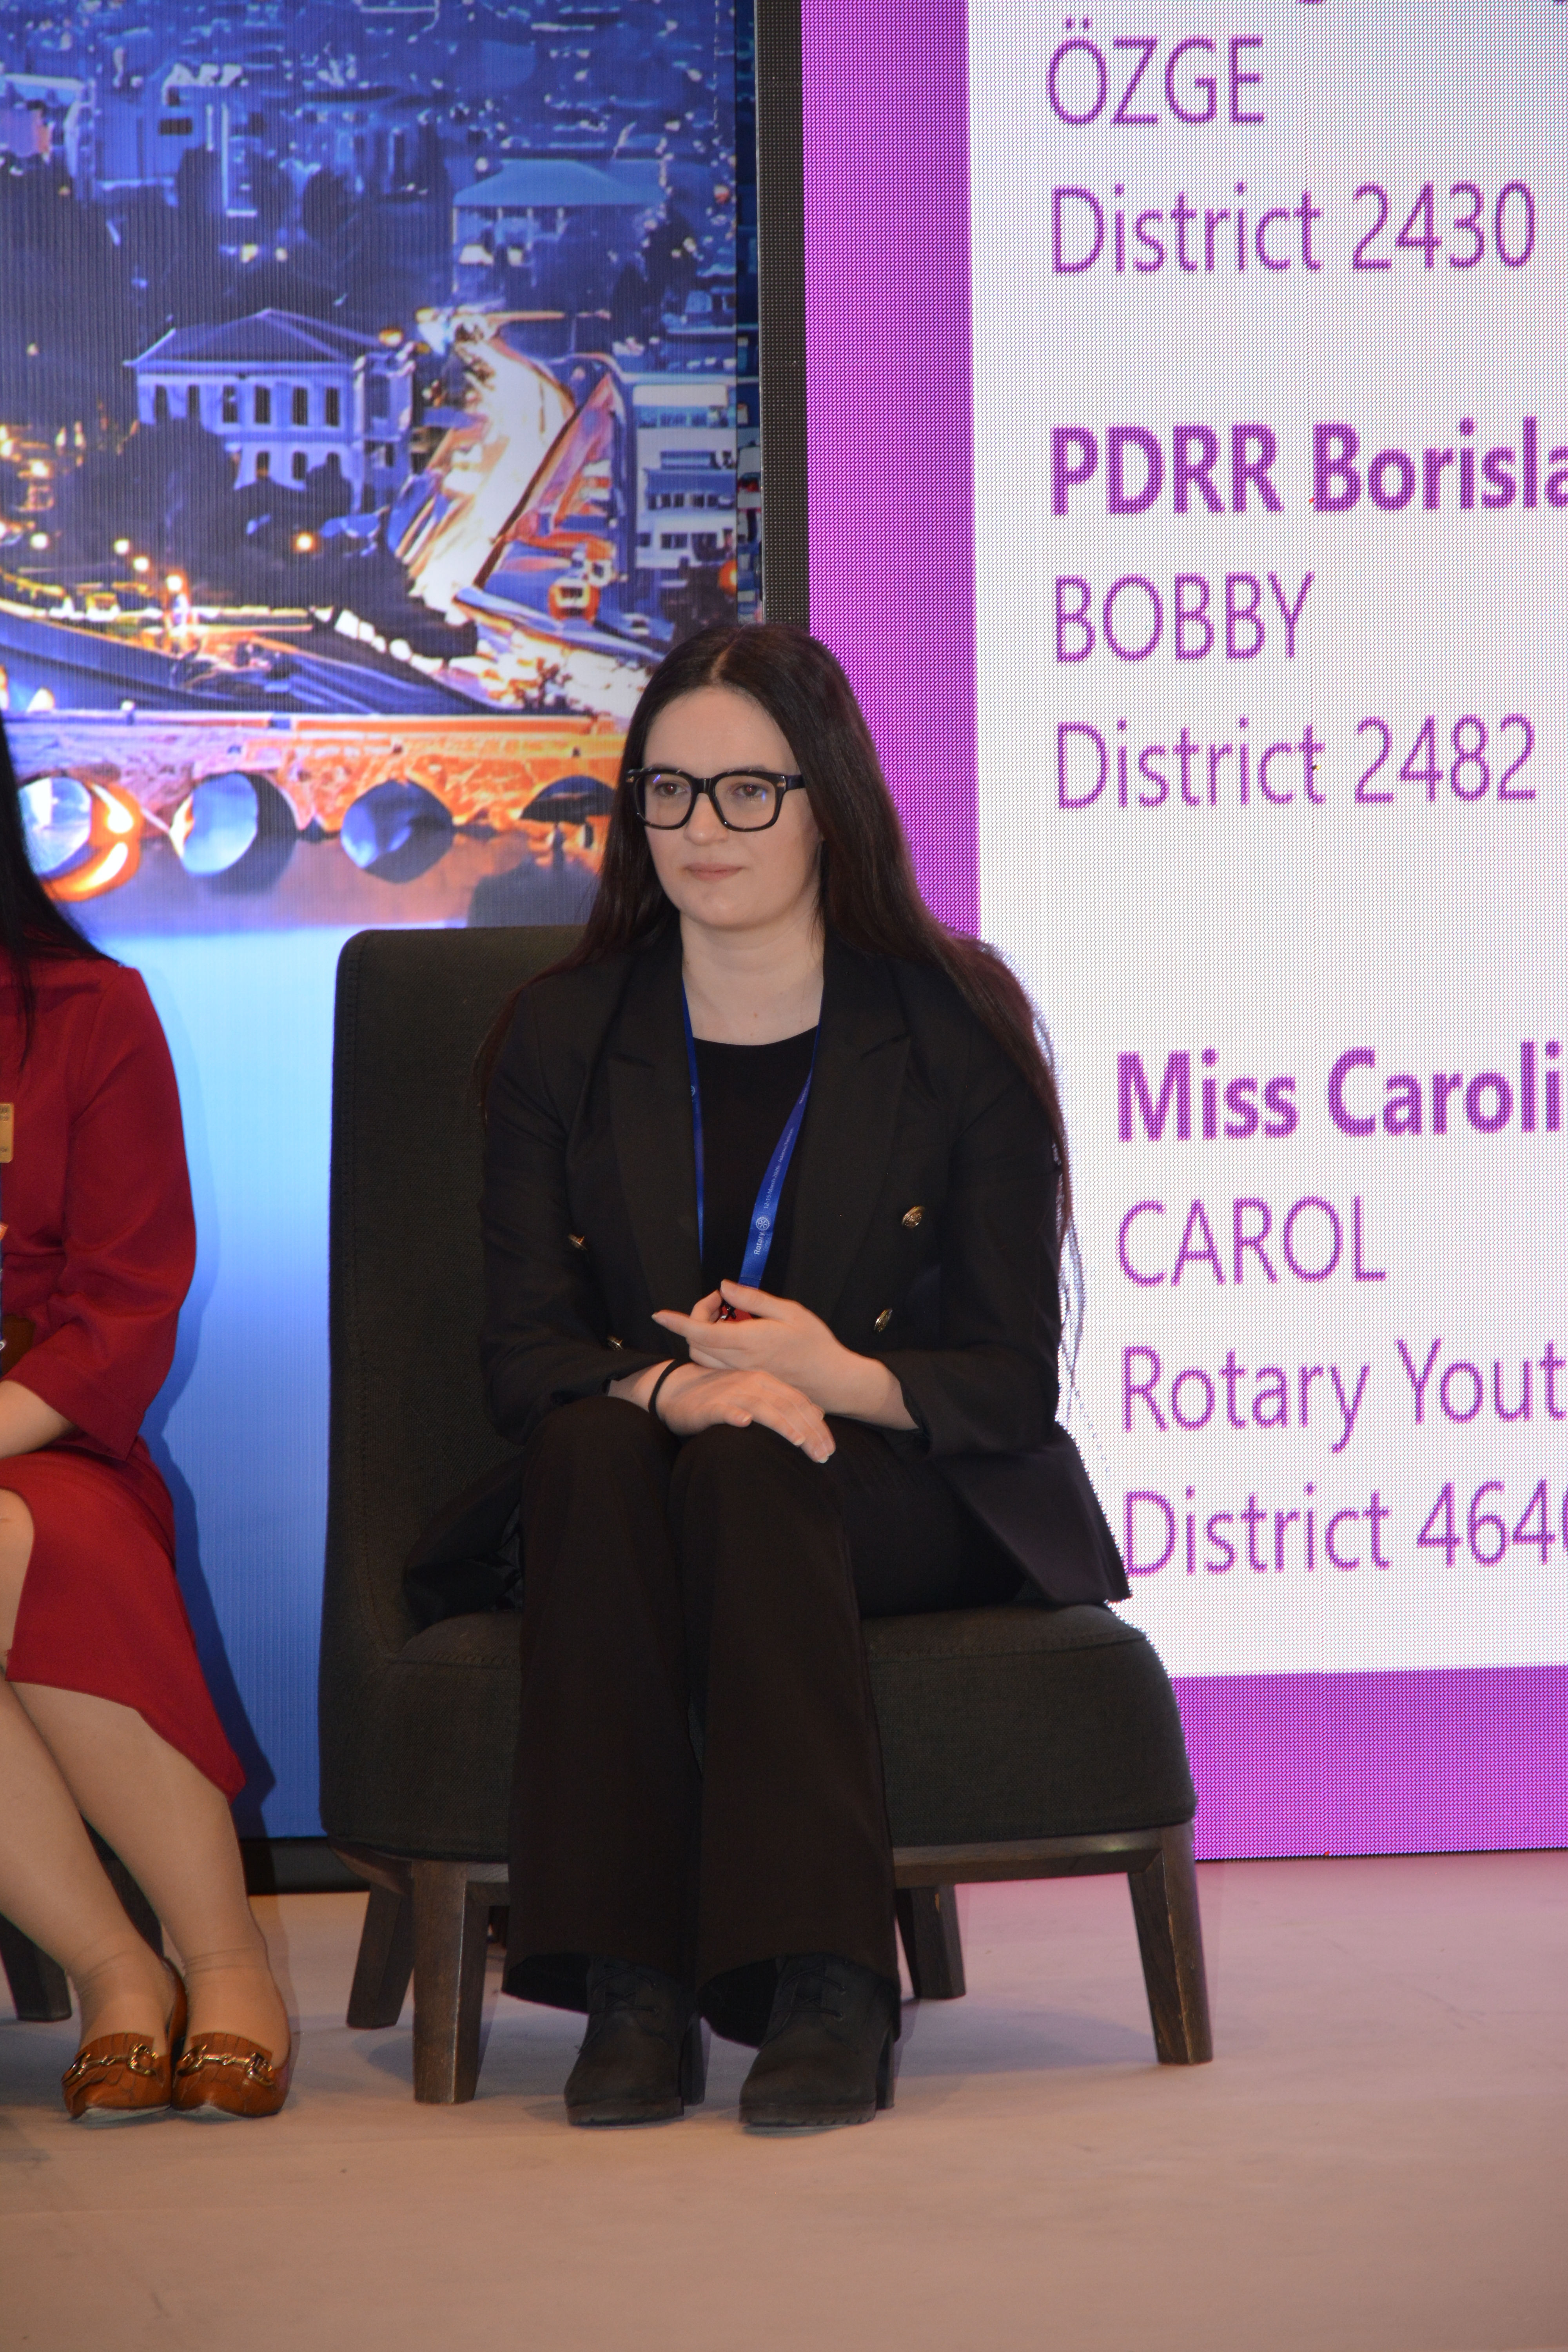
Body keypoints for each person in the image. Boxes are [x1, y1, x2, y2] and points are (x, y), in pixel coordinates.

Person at [433, 623, 1125, 2132]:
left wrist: (832, 1374)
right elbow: (523, 1357)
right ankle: (629, 1988)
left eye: (749, 791)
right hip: (640, 1463)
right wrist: (675, 1393)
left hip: (902, 1478)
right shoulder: (563, 1031)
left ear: (829, 804)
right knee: (596, 1449)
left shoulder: (954, 1022)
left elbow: (1010, 1381)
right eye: (668, 792)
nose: (705, 829)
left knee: (756, 1464)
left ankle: (829, 1982)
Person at [0, 725, 292, 2122]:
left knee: (42, 1535)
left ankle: (222, 1960)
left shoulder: (91, 1010)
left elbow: (126, 1302)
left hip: (48, 1433)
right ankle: (122, 1970)